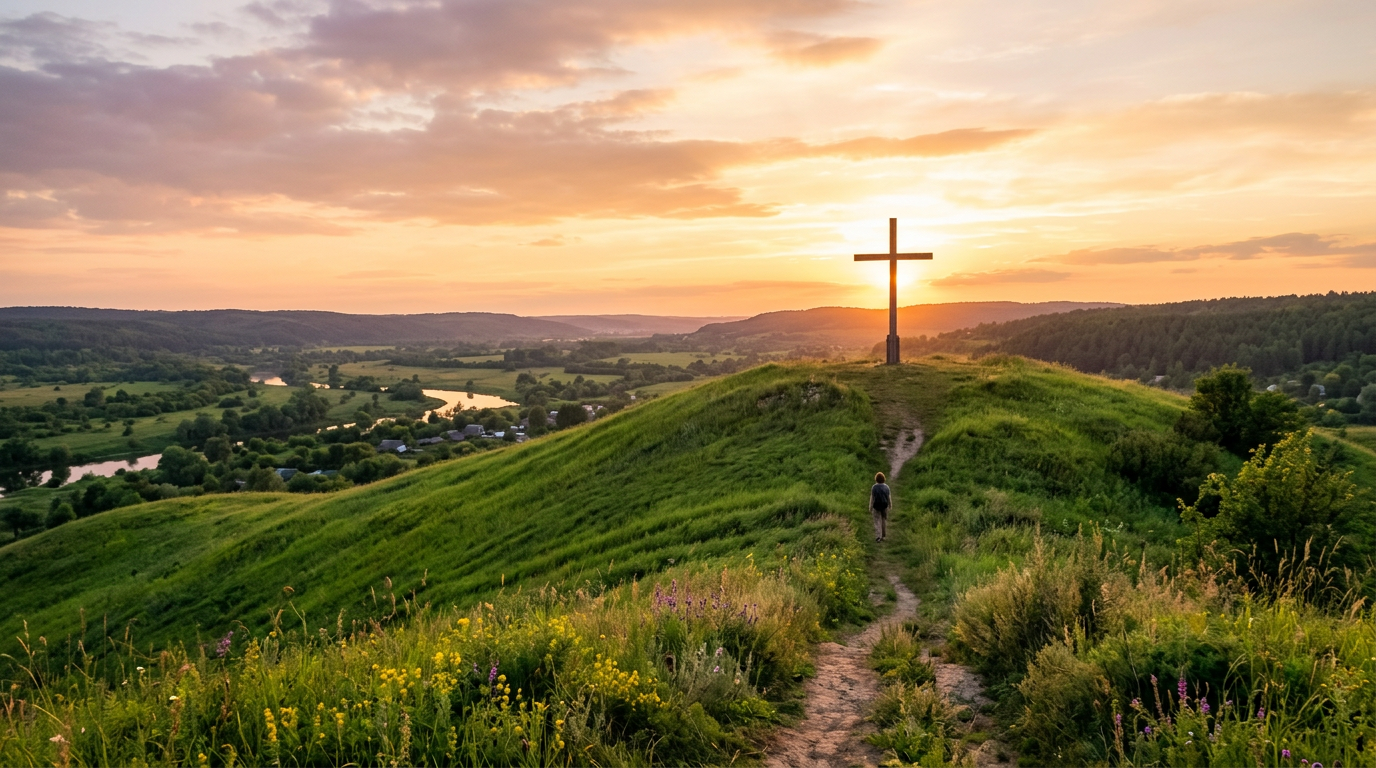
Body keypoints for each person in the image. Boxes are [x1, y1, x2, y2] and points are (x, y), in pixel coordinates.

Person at [869, 471, 891, 542]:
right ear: (884, 479)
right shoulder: (887, 487)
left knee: (877, 520)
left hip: (876, 505)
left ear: (876, 479)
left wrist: (870, 507)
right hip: (885, 505)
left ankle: (878, 536)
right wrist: (890, 505)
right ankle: (883, 536)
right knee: (883, 520)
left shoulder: (874, 487)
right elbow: (888, 497)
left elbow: (872, 498)